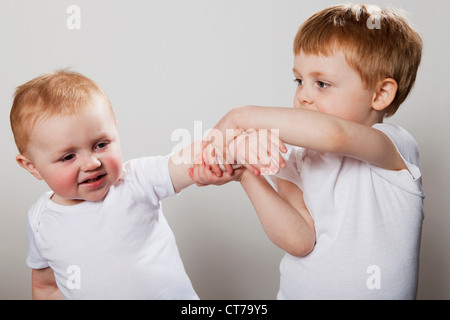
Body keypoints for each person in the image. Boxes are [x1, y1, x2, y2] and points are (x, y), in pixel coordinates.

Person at [196, 4, 424, 299]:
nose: (303, 95)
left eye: (322, 84)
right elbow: (299, 240)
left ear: (380, 94)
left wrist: (241, 116)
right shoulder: (297, 157)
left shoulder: (393, 145)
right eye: (299, 81)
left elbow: (334, 135)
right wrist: (245, 174)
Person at [9, 69, 282, 299]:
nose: (91, 163)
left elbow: (187, 160)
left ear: (115, 130)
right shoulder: (40, 220)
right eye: (68, 156)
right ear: (31, 166)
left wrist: (235, 148)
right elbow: (45, 285)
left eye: (101, 144)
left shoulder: (136, 180)